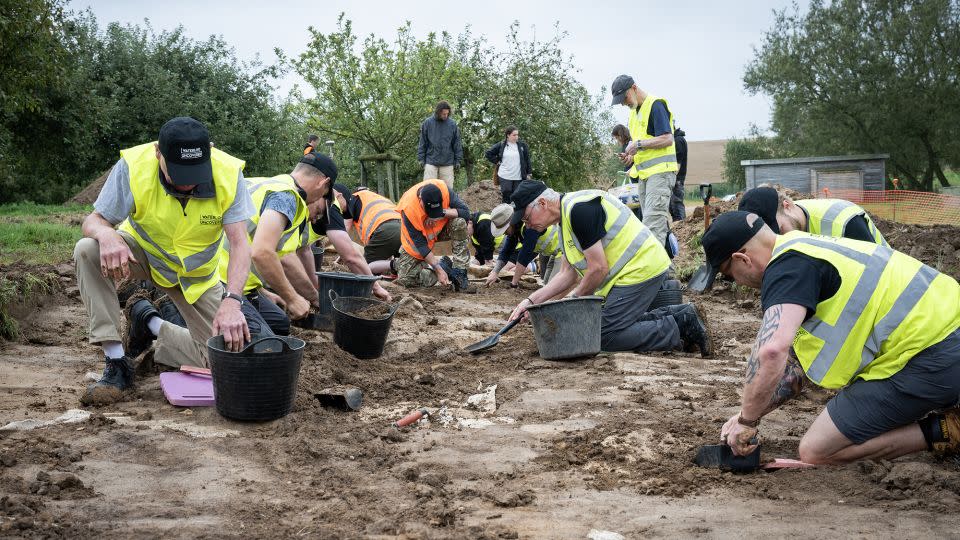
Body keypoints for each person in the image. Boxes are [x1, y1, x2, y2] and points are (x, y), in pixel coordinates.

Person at [701, 211, 960, 464]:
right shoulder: (805, 247)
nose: (736, 282)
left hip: (936, 354)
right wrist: (747, 415)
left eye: (729, 274)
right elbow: (795, 365)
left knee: (817, 450)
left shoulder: (785, 271)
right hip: (944, 335)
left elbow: (771, 351)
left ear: (742, 259)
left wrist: (747, 421)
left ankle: (946, 429)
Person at [74, 117, 262, 404]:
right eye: (178, 173)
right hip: (144, 256)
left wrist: (232, 301)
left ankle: (149, 324)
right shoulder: (133, 167)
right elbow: (94, 220)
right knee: (88, 249)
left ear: (209, 152)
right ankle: (116, 363)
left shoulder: (228, 173)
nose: (187, 184)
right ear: (157, 153)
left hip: (195, 277)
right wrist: (106, 234)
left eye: (194, 173)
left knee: (228, 359)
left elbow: (239, 243)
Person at [506, 181, 711, 356]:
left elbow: (598, 269)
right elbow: (567, 275)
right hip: (630, 274)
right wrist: (531, 302)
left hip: (641, 268)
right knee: (606, 327)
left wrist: (571, 303)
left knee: (602, 336)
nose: (527, 225)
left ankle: (679, 329)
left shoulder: (579, 210)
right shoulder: (564, 222)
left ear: (542, 203)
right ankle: (681, 316)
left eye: (526, 218)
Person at [291, 174, 392, 302]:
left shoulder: (313, 205)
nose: (343, 213)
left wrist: (316, 287)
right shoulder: (332, 205)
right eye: (345, 208)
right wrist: (376, 287)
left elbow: (304, 250)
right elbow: (351, 257)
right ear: (339, 196)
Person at [610, 74, 678, 248]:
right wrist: (631, 157)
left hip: (660, 174)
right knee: (652, 226)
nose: (623, 103)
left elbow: (667, 139)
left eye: (623, 98)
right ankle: (667, 272)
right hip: (645, 176)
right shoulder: (634, 114)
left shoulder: (656, 105)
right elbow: (645, 146)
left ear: (633, 88)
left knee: (652, 225)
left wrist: (638, 145)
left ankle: (654, 272)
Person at [738, 186, 888, 246]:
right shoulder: (794, 215)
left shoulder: (843, 222)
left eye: (781, 230)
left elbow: (875, 271)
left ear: (787, 206)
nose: (781, 240)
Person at [395, 179, 473, 292]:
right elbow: (421, 245)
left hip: (440, 230)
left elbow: (466, 213)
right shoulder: (408, 208)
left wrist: (442, 213)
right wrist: (438, 269)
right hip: (418, 242)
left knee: (459, 223)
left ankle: (460, 273)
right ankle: (444, 267)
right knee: (406, 281)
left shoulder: (444, 190)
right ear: (421, 199)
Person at [486, 221, 562, 288]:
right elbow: (506, 252)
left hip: (563, 250)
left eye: (504, 230)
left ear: (509, 224)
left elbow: (524, 258)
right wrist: (495, 272)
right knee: (546, 285)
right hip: (554, 253)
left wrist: (514, 283)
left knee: (554, 287)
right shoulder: (515, 231)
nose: (503, 233)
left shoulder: (529, 228)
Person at [417, 101, 463, 190]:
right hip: (431, 160)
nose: (445, 115)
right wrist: (421, 159)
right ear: (438, 112)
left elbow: (457, 143)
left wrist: (458, 160)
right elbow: (423, 142)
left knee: (447, 190)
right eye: (443, 114)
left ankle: (446, 204)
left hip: (447, 162)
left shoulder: (452, 124)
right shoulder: (428, 123)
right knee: (428, 188)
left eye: (447, 114)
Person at [484, 126, 533, 203]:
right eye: (514, 135)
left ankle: (515, 213)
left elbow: (527, 159)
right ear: (508, 135)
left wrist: (529, 173)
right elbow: (488, 153)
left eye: (517, 135)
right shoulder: (501, 145)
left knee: (517, 196)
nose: (516, 137)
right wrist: (497, 161)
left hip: (519, 176)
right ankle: (505, 213)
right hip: (505, 175)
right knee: (506, 195)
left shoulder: (522, 145)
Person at [671, 127, 688, 222]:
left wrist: (673, 176)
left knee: (677, 203)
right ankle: (678, 224)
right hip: (676, 178)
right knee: (673, 205)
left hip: (677, 178)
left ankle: (681, 225)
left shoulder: (678, 140)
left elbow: (678, 161)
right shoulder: (677, 139)